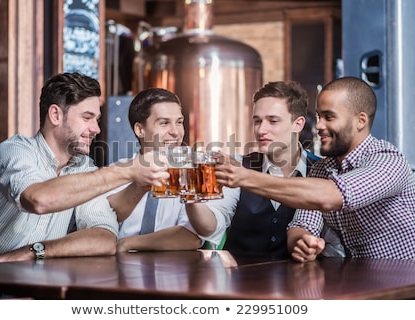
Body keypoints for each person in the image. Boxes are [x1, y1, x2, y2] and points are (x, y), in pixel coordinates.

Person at [0, 72, 169, 265]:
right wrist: (127, 170)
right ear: (55, 115)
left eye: (96, 120)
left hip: (35, 290)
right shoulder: (14, 151)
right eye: (86, 117)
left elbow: (105, 238)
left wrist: (36, 250)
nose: (96, 129)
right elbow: (39, 199)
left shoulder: (83, 168)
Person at [215, 76, 415, 261]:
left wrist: (244, 177)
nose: (318, 125)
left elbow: (332, 195)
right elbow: (302, 224)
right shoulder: (322, 168)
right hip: (358, 285)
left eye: (329, 117)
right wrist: (302, 241)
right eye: (319, 116)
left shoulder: (389, 161)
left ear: (360, 121)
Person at [185, 80, 322, 259]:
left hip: (300, 282)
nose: (261, 130)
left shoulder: (321, 171)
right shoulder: (238, 166)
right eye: (257, 121)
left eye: (273, 121)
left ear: (298, 124)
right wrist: (190, 195)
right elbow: (209, 226)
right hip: (240, 280)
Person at [106, 87, 203, 252]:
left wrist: (128, 243)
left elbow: (191, 237)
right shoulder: (117, 172)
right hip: (118, 270)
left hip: (173, 270)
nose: (175, 132)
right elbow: (99, 223)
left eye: (179, 122)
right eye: (164, 123)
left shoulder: (191, 173)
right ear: (140, 130)